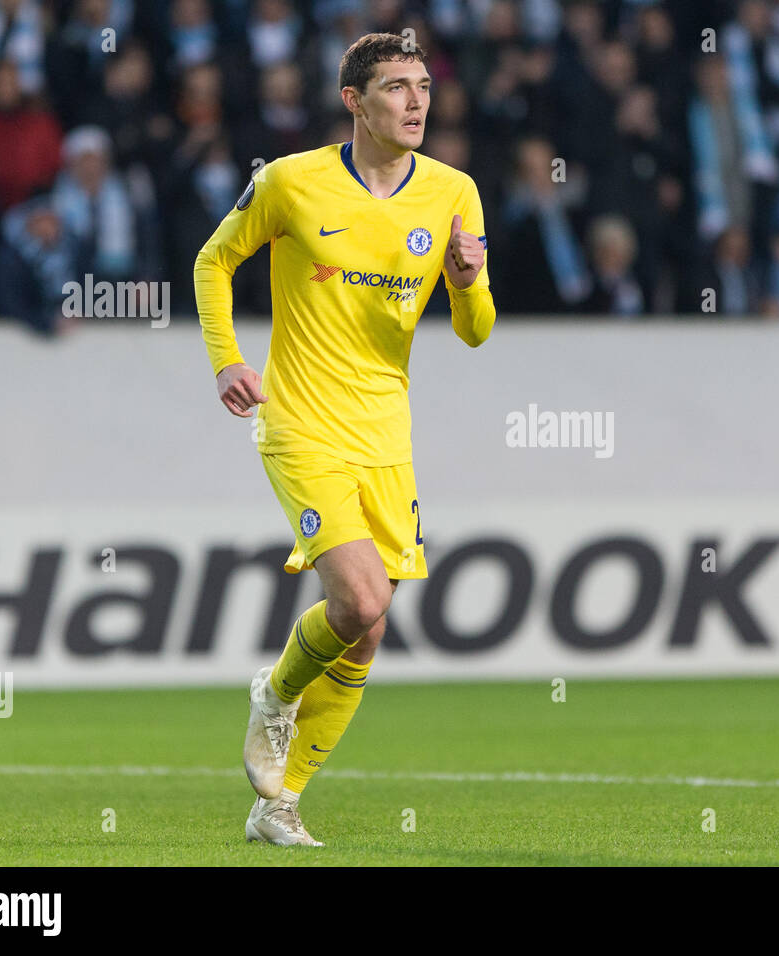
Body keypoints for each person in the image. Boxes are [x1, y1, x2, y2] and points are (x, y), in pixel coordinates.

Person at [193, 32, 496, 846]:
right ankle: (278, 693)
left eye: (425, 85)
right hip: (298, 421)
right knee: (360, 598)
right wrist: (226, 360)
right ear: (354, 102)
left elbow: (477, 331)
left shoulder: (455, 192)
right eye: (396, 87)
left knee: (369, 629)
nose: (417, 101)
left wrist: (467, 285)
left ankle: (278, 804)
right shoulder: (289, 181)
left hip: (385, 433)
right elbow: (212, 262)